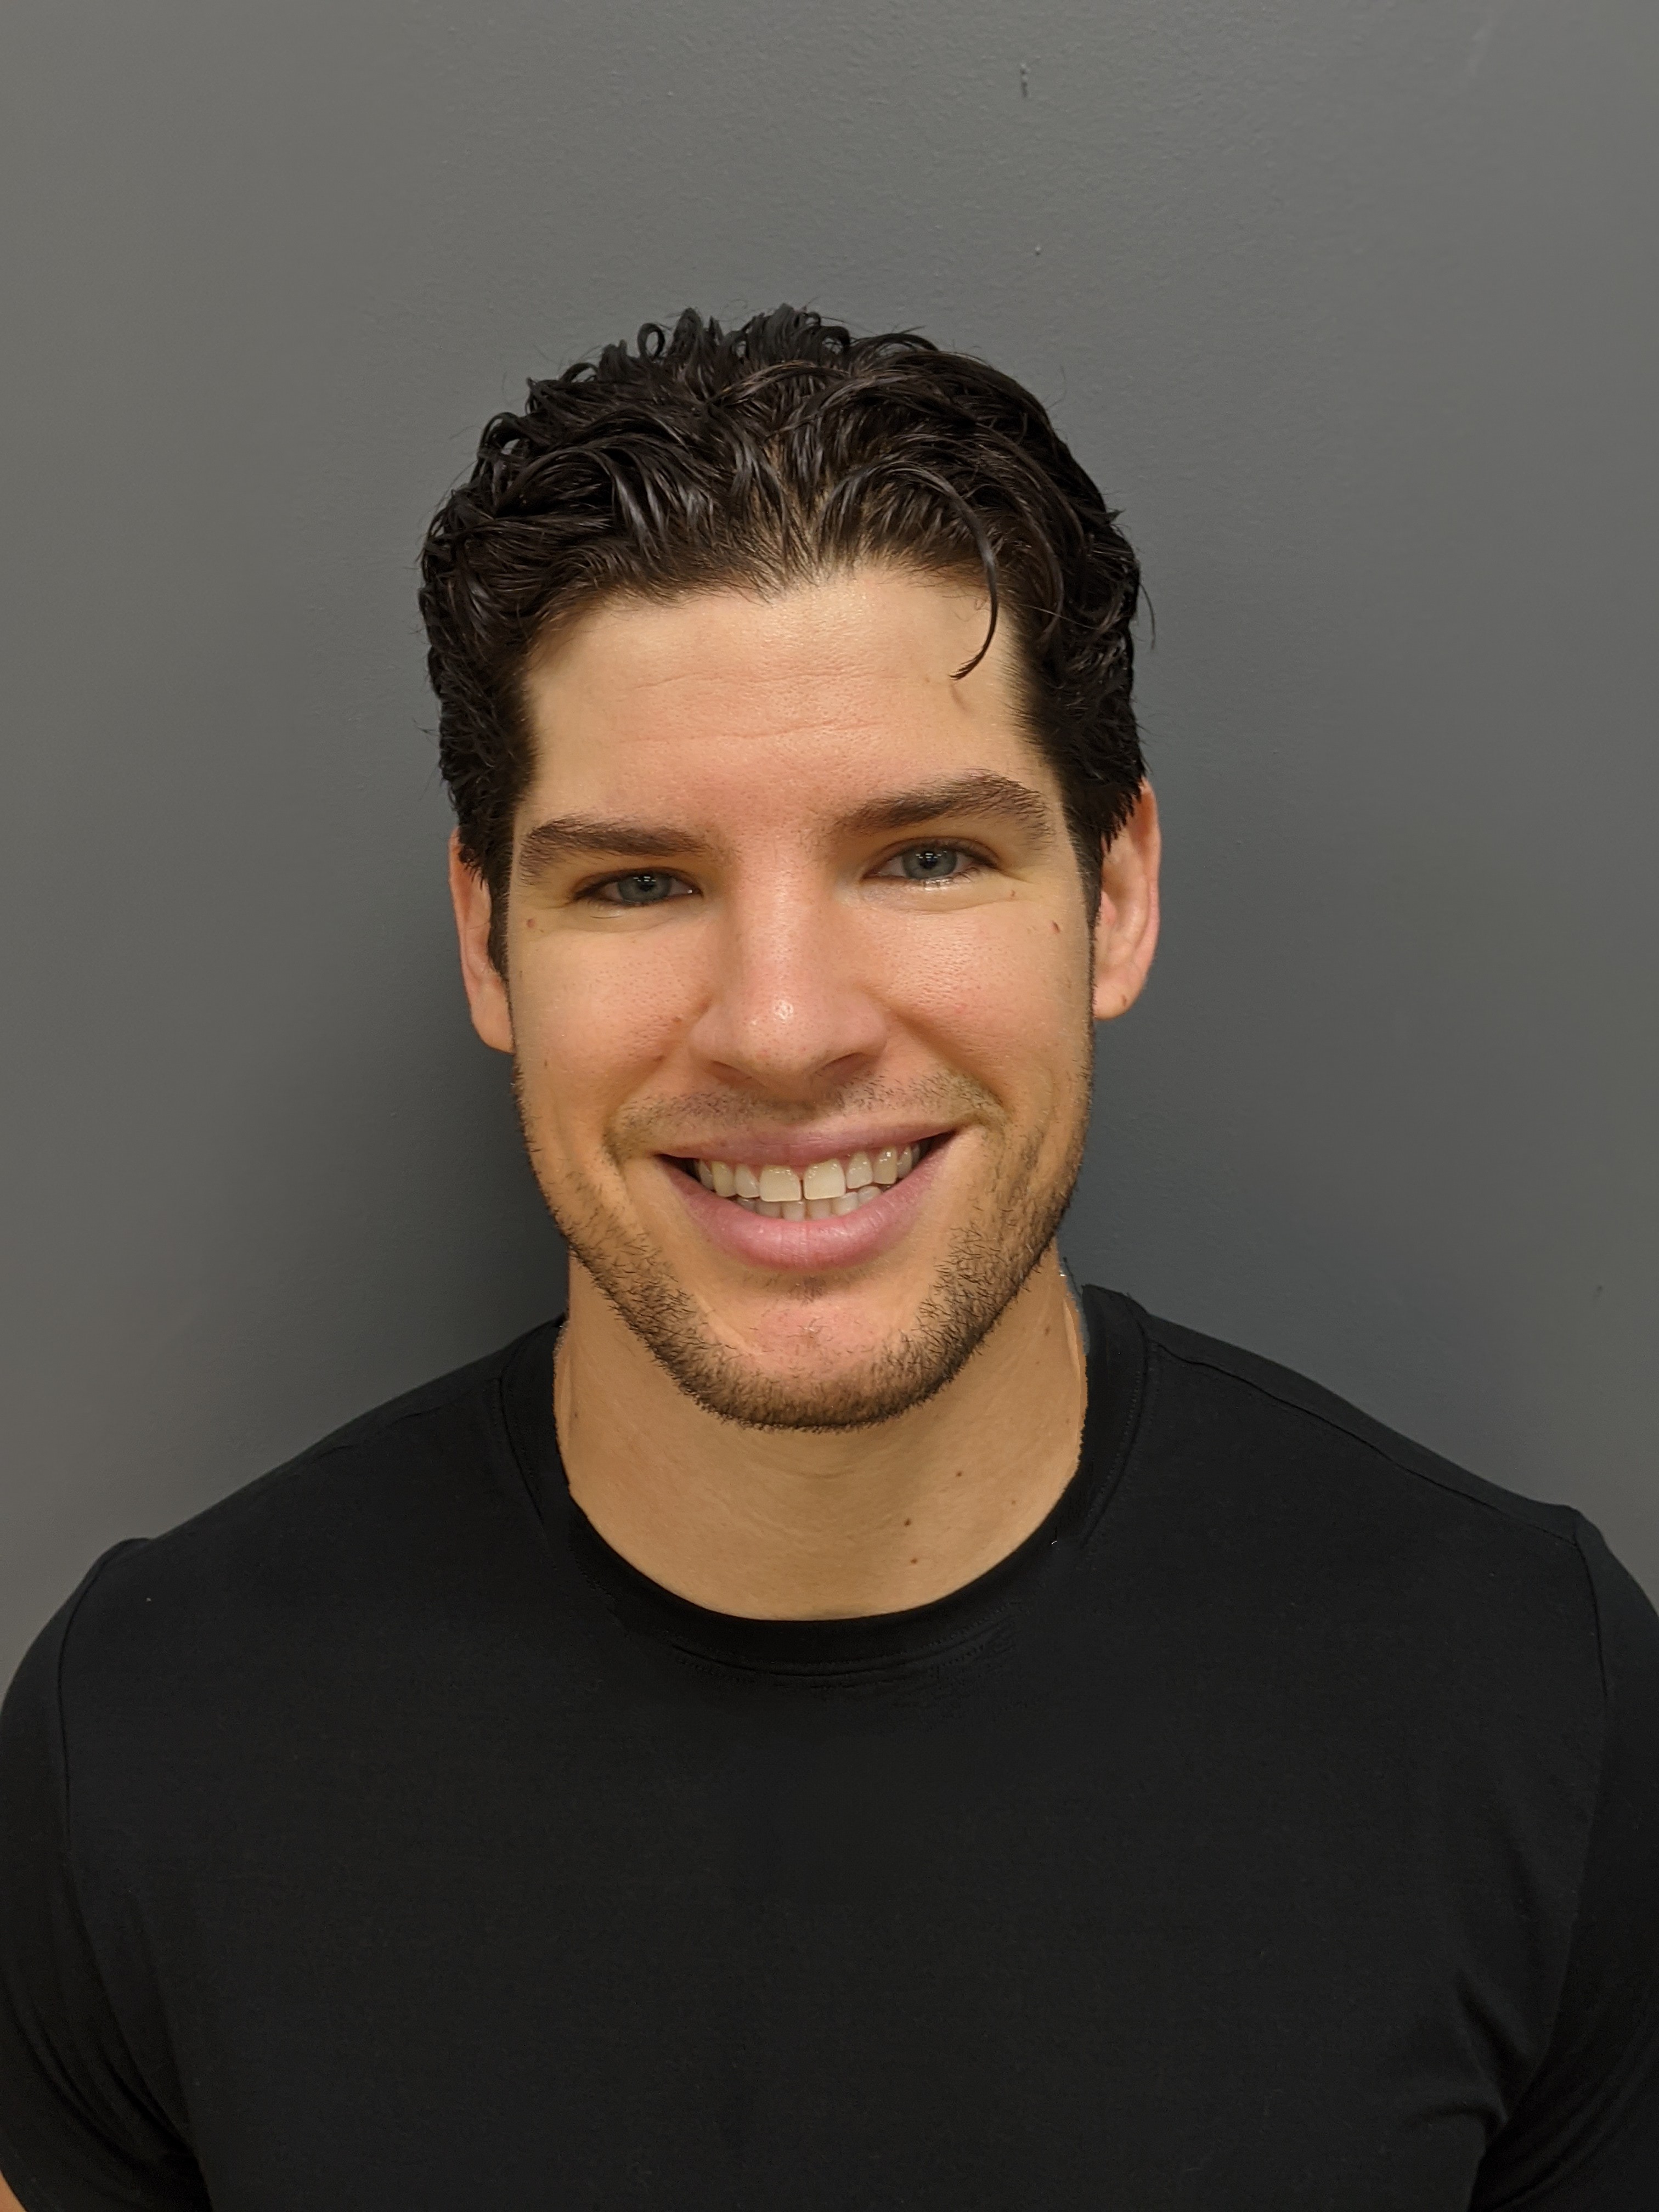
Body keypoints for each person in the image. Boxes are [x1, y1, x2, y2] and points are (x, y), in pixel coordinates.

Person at [1, 307, 1655, 2212]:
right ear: (487, 945)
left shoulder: (1534, 1708)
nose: (783, 1030)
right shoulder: (144, 1743)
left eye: (927, 856)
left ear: (1116, 895)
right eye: (639, 882)